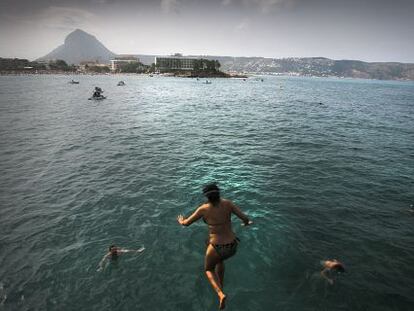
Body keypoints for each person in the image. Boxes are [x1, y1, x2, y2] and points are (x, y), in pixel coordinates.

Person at [177, 183, 252, 309]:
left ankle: (220, 294)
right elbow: (244, 218)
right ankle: (220, 286)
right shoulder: (228, 204)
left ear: (207, 197)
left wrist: (181, 221)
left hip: (217, 247)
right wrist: (246, 223)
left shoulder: (203, 209)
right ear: (218, 193)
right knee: (219, 261)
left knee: (208, 269)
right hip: (232, 245)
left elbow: (186, 223)